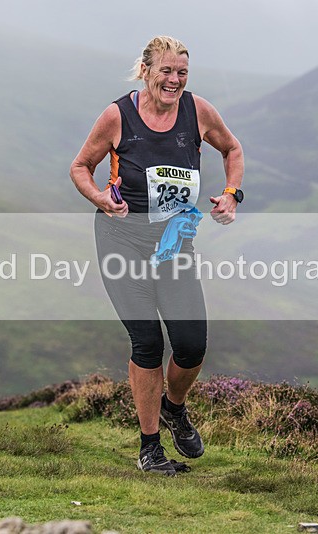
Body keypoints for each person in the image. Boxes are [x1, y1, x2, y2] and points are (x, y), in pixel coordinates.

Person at [70, 36, 244, 475]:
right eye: (166, 71)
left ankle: (174, 408)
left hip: (174, 243)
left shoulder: (198, 111)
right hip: (121, 239)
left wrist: (230, 195)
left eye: (182, 72)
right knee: (147, 342)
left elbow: (232, 149)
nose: (174, 80)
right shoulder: (117, 116)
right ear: (146, 70)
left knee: (191, 345)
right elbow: (79, 167)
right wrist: (101, 199)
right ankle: (150, 449)